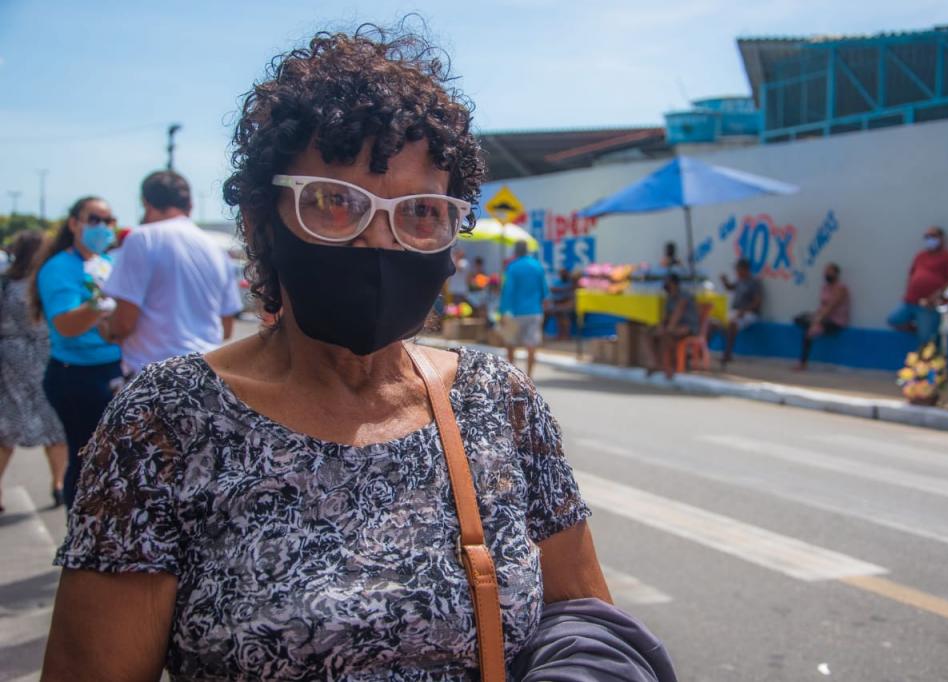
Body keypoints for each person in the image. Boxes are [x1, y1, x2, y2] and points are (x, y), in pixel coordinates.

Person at [42, 27, 643, 682]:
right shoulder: (164, 421)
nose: (378, 240)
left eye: (420, 211)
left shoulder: (500, 401)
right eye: (334, 203)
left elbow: (583, 616)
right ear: (262, 222)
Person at [98, 171, 243, 377]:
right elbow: (226, 328)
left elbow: (123, 324)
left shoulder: (142, 238)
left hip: (154, 379)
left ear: (146, 203)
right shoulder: (216, 249)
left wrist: (105, 327)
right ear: (190, 205)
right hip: (205, 376)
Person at [30, 197, 122, 512]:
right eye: (94, 219)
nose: (103, 227)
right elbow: (66, 325)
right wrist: (100, 302)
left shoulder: (107, 263)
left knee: (113, 462)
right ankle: (80, 531)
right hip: (77, 376)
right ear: (74, 224)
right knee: (86, 460)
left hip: (113, 369)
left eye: (108, 220)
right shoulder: (60, 268)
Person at [0, 231, 68, 511]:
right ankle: (58, 484)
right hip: (46, 354)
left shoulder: (5, 283)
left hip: (10, 357)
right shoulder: (46, 281)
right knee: (54, 424)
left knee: (6, 426)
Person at [886, 226, 948, 347]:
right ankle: (917, 328)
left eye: (933, 236)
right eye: (927, 237)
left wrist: (936, 297)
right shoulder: (920, 256)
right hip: (910, 301)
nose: (929, 239)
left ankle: (928, 354)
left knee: (925, 339)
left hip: (928, 305)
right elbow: (912, 274)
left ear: (941, 238)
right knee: (893, 319)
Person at [499, 240, 550, 377]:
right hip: (534, 311)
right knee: (531, 345)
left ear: (515, 251)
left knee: (510, 344)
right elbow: (544, 290)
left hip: (514, 312)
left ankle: (512, 376)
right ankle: (529, 376)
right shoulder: (537, 266)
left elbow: (507, 291)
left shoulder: (512, 267)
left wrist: (503, 312)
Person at [793, 262, 850, 370]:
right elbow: (822, 306)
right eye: (825, 271)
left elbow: (831, 307)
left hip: (835, 321)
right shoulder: (825, 287)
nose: (826, 274)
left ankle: (803, 363)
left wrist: (817, 320)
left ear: (836, 274)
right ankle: (816, 327)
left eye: (829, 272)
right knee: (799, 318)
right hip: (823, 318)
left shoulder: (841, 288)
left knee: (810, 331)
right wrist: (815, 316)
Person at [644, 273, 698, 378]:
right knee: (649, 333)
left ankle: (669, 366)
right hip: (674, 327)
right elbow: (666, 317)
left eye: (667, 283)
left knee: (667, 335)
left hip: (689, 327)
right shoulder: (669, 298)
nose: (665, 285)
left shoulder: (684, 295)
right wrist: (661, 327)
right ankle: (655, 363)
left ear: (673, 284)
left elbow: (678, 312)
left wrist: (668, 328)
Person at [719, 258, 763, 366]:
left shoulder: (754, 283)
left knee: (733, 325)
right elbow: (730, 287)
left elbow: (757, 302)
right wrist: (724, 281)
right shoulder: (739, 281)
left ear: (745, 269)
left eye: (738, 269)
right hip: (735, 311)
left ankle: (727, 354)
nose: (736, 272)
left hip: (748, 313)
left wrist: (744, 310)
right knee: (715, 323)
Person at [545, 267, 577, 340]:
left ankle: (566, 335)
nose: (563, 275)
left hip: (568, 305)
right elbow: (552, 289)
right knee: (551, 313)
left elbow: (571, 295)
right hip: (557, 304)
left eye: (564, 273)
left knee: (563, 313)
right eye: (561, 274)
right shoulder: (557, 282)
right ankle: (559, 334)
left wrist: (561, 290)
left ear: (568, 274)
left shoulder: (572, 283)